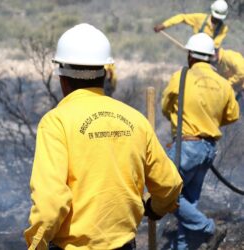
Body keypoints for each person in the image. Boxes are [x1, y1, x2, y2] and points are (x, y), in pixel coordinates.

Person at [24, 23, 183, 250]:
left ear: (63, 80)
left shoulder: (56, 122)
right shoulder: (135, 119)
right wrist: (156, 208)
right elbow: (170, 184)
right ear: (105, 75)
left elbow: (51, 203)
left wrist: (35, 245)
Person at [161, 33, 239, 250]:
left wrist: (179, 119)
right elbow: (232, 115)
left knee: (164, 190)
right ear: (210, 58)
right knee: (189, 200)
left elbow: (166, 106)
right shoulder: (223, 84)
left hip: (186, 145)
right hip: (208, 149)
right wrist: (209, 121)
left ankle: (207, 228)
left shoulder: (181, 77)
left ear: (190, 56)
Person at [154, 0, 229, 48]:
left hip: (209, 55)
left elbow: (216, 45)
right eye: (215, 17)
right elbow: (182, 17)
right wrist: (164, 25)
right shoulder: (200, 18)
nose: (217, 19)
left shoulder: (223, 28)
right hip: (194, 50)